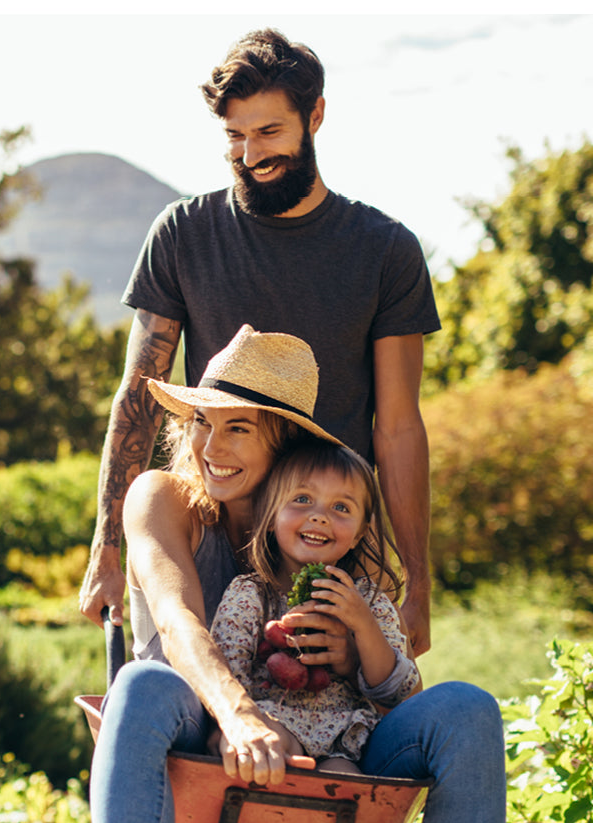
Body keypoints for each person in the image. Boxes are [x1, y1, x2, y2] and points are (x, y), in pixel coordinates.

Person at [89, 325, 505, 823]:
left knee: (468, 711)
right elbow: (178, 623)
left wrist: (352, 648)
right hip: (195, 728)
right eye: (201, 421)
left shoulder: (327, 529)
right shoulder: (162, 496)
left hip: (338, 740)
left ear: (281, 442)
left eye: (238, 429)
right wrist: (242, 715)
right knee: (139, 684)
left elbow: (398, 680)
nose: (208, 446)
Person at [80, 26, 438, 654]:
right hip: (209, 533)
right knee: (182, 707)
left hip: (328, 540)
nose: (250, 155)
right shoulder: (183, 234)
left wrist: (416, 580)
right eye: (235, 136)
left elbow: (399, 427)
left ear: (316, 116)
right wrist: (107, 547)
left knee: (332, 733)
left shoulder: (385, 251)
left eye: (269, 133)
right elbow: (137, 398)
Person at [209, 438, 420, 775]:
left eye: (342, 508)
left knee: (344, 786)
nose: (319, 517)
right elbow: (227, 673)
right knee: (272, 747)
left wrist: (362, 625)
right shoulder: (250, 594)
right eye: (302, 499)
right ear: (271, 512)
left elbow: (398, 690)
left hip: (345, 741)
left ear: (360, 531)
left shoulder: (368, 601)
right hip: (271, 725)